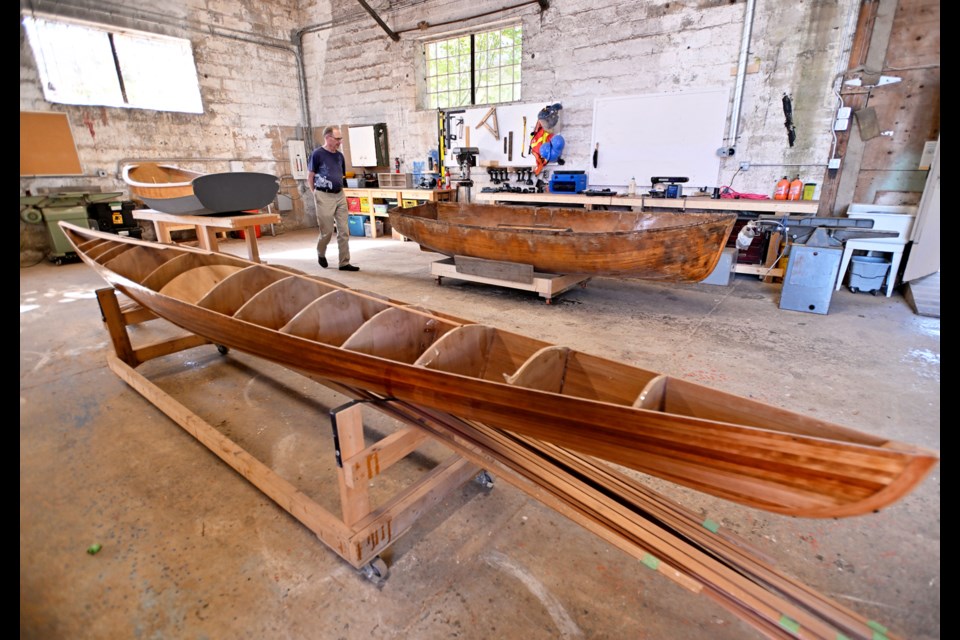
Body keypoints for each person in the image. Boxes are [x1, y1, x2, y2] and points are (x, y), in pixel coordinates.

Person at [307, 125, 359, 271]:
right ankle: (320, 252)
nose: (340, 142)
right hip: (323, 195)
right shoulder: (317, 154)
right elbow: (310, 177)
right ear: (328, 138)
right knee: (327, 231)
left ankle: (344, 262)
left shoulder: (339, 156)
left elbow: (340, 174)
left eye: (340, 138)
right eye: (337, 139)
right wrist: (315, 193)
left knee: (344, 231)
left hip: (339, 194)